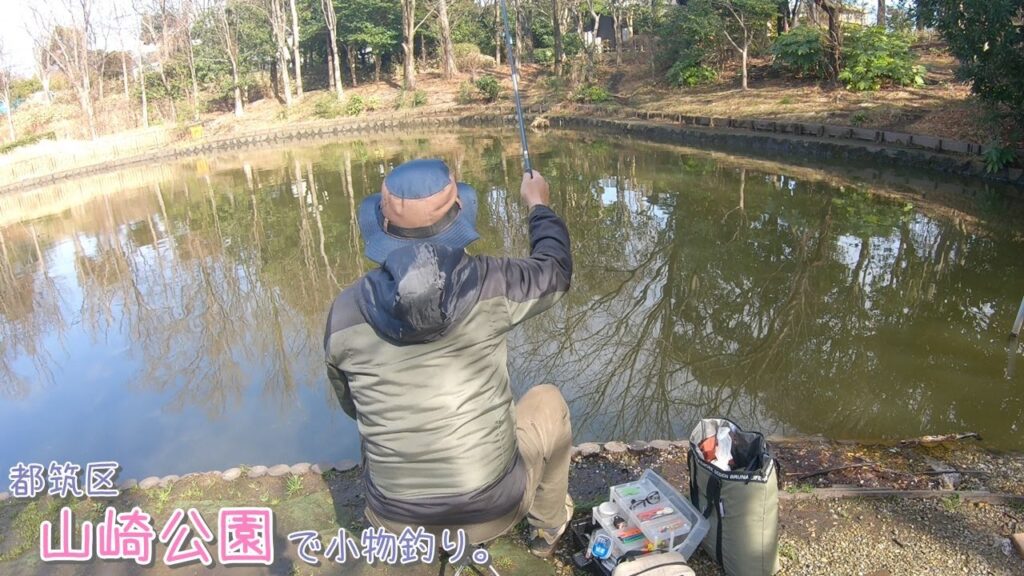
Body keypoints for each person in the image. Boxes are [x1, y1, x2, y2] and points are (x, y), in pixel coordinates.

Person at [323, 158, 574, 557]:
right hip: (493, 507)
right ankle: (547, 530)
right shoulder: (495, 282)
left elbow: (352, 406)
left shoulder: (344, 313)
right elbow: (555, 270)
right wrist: (537, 204)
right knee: (547, 401)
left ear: (382, 226)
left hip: (393, 519)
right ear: (459, 213)